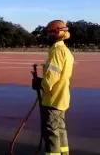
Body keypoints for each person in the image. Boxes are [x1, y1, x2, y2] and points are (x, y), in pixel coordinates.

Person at [32, 20, 74, 155]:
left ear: (56, 33)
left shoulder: (56, 52)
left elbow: (51, 78)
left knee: (51, 134)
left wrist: (41, 84)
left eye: (49, 33)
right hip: (62, 99)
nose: (47, 36)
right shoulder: (65, 51)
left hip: (53, 100)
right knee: (60, 130)